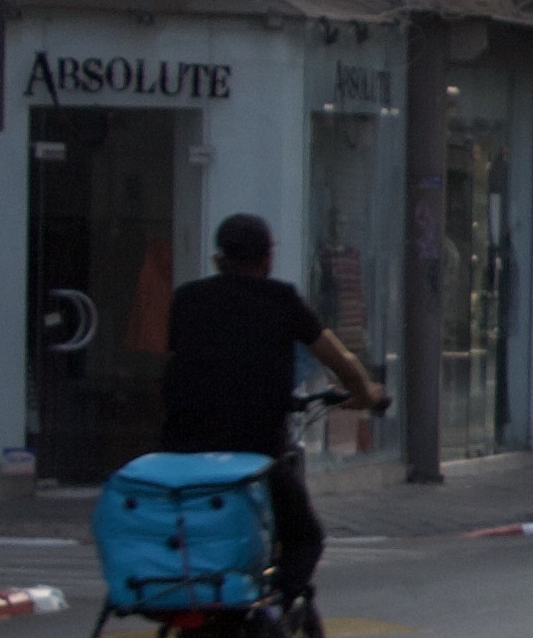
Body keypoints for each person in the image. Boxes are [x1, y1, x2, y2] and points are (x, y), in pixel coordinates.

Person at [158, 213, 384, 602]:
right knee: (306, 537)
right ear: (267, 259)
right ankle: (275, 610)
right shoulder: (282, 300)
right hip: (253, 452)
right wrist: (365, 394)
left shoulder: (186, 299)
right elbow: (338, 358)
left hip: (183, 451)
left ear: (218, 258)